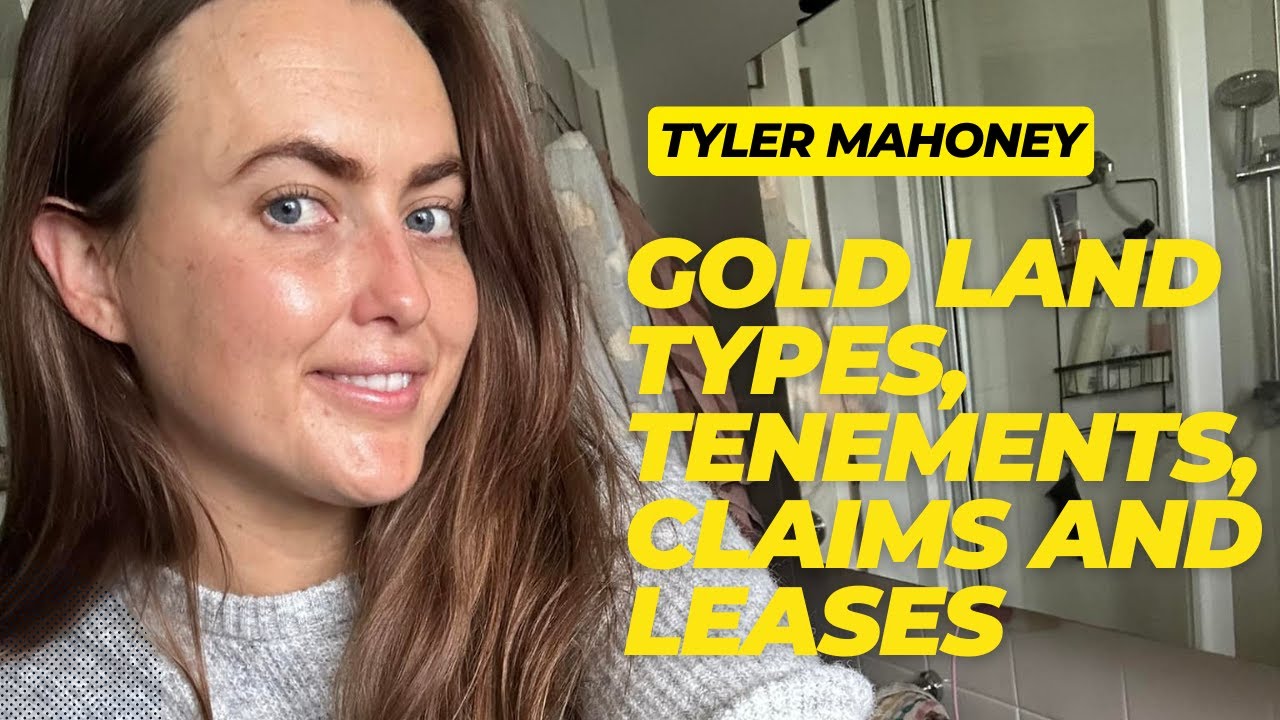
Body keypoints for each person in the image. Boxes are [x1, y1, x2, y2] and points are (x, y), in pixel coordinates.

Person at [0, 1, 874, 718]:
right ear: (91, 269)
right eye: (295, 207)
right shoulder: (37, 684)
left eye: (430, 216)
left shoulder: (594, 506)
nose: (408, 295)